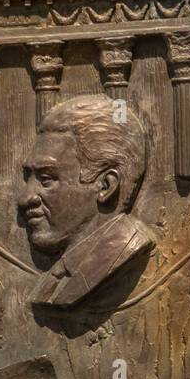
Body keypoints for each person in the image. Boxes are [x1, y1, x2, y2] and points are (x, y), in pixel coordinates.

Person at [18, 94, 158, 319]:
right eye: (28, 178)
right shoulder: (59, 275)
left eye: (46, 179)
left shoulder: (122, 254)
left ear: (106, 186)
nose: (24, 198)